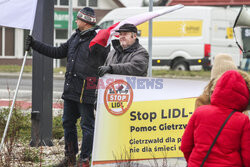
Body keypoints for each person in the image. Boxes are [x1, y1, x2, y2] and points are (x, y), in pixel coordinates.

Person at [25, 7, 110, 167]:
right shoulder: (75, 37)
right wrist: (35, 44)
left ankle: (84, 159)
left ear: (85, 22)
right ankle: (70, 158)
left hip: (87, 90)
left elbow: (108, 58)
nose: (76, 21)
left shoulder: (99, 39)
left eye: (78, 19)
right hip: (71, 90)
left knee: (87, 125)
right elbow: (57, 51)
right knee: (67, 123)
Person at [181, 70, 250, 166]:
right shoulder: (243, 120)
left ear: (216, 89)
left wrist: (194, 162)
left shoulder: (200, 112)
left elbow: (185, 146)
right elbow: (248, 156)